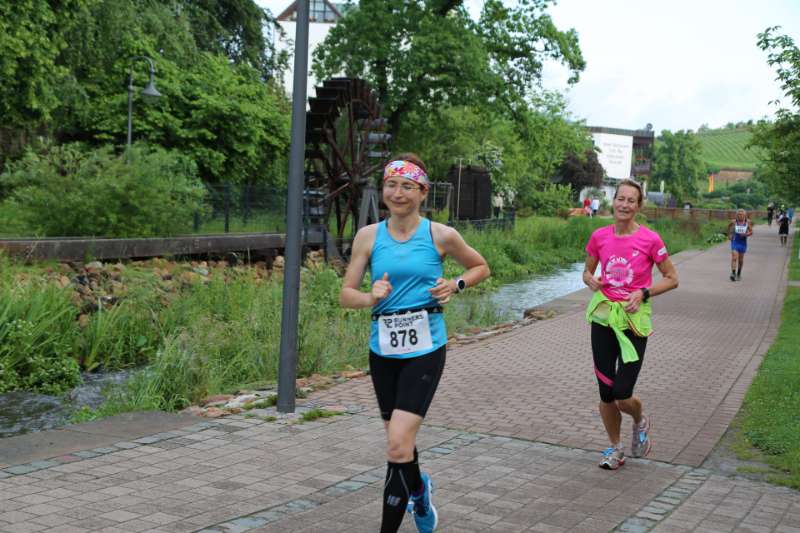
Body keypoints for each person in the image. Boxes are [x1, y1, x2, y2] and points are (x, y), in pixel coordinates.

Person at [340, 154, 490, 533]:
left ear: (422, 192)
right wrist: (371, 296)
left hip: (425, 348)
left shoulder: (440, 235)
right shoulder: (368, 236)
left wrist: (454, 285)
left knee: (395, 446)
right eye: (391, 184)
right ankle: (420, 492)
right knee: (400, 443)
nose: (397, 192)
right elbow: (346, 295)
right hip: (383, 349)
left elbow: (480, 267)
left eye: (407, 186)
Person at [582, 179, 679, 470]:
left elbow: (672, 278)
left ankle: (639, 418)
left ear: (639, 206)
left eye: (631, 200)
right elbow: (587, 271)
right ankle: (615, 448)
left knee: (622, 393)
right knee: (605, 390)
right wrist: (590, 280)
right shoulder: (599, 236)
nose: (624, 205)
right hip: (603, 318)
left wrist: (644, 292)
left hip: (634, 322)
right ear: (614, 201)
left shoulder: (650, 239)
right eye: (620, 199)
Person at [727, 209, 753, 281]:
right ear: (736, 215)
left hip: (743, 242)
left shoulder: (747, 222)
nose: (740, 216)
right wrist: (729, 235)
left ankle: (739, 273)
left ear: (744, 215)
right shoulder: (733, 222)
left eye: (741, 214)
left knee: (740, 260)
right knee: (734, 257)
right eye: (738, 214)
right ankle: (733, 273)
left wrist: (745, 234)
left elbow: (751, 232)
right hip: (735, 241)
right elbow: (728, 227)